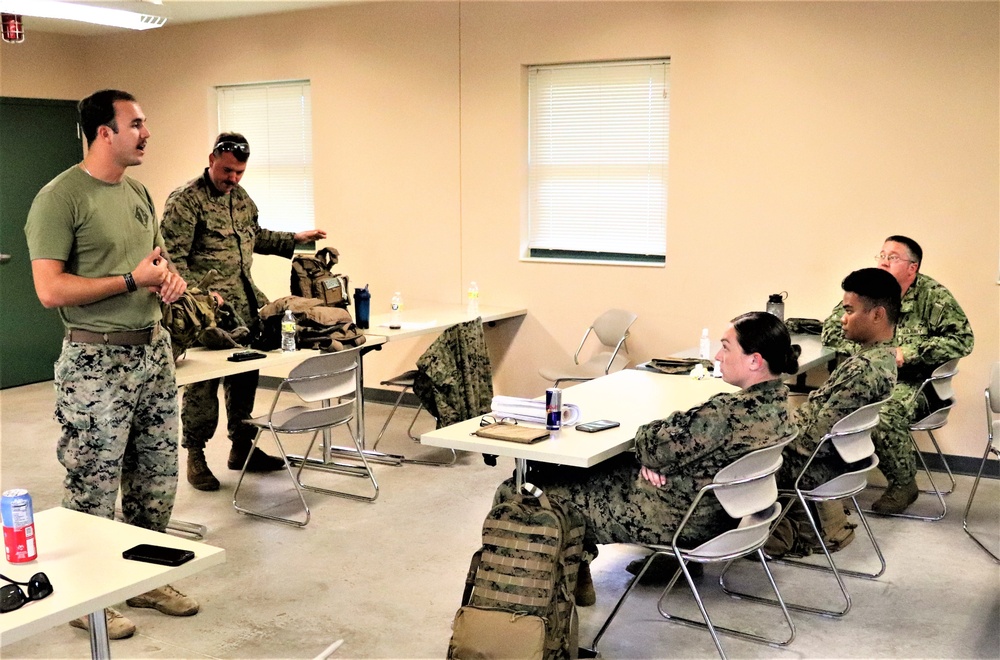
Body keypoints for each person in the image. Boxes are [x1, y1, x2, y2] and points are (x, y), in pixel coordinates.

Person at [24, 89, 198, 640]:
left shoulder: (138, 191)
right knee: (92, 485)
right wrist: (131, 280)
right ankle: (84, 595)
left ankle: (142, 578)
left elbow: (155, 259)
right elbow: (50, 290)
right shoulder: (60, 198)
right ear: (104, 131)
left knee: (155, 479)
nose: (147, 133)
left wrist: (167, 279)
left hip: (152, 352)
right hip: (95, 363)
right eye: (137, 124)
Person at [496, 311, 799, 606]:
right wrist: (657, 460)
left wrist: (653, 458)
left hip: (673, 516)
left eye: (726, 347)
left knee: (522, 490)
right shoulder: (781, 407)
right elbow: (668, 451)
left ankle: (518, 608)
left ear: (755, 360)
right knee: (590, 469)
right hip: (719, 513)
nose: (718, 356)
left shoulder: (724, 414)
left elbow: (650, 442)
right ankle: (576, 573)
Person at [160, 133, 327, 491]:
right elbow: (171, 259)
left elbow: (255, 236)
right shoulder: (186, 201)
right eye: (226, 171)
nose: (232, 178)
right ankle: (196, 455)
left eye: (239, 172)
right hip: (204, 311)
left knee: (246, 375)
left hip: (245, 305)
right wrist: (202, 296)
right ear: (211, 159)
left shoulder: (240, 198)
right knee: (203, 385)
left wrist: (292, 240)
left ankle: (242, 446)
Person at [821, 236, 974, 514]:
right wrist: (876, 350)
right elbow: (832, 332)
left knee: (882, 411)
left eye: (892, 257)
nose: (882, 261)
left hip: (917, 383)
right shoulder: (870, 290)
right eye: (880, 255)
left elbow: (963, 340)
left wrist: (910, 352)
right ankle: (830, 483)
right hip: (872, 374)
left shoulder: (933, 296)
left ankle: (903, 485)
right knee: (833, 405)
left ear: (911, 268)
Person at [766, 269, 900, 558]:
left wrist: (765, 439)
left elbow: (811, 443)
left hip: (813, 466)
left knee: (720, 457)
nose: (842, 318)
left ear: (877, 315)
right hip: (838, 462)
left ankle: (691, 546)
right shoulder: (883, 359)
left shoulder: (863, 369)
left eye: (849, 310)